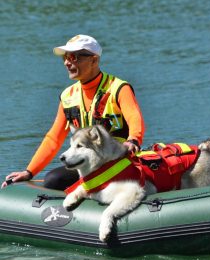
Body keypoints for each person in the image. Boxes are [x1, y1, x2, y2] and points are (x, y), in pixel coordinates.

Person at [2, 34, 145, 190]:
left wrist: (133, 140)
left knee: (55, 180)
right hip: (88, 164)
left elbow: (134, 118)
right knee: (52, 180)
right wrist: (29, 172)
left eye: (74, 57)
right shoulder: (68, 96)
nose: (67, 62)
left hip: (117, 161)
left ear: (94, 60)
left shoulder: (119, 88)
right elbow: (54, 139)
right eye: (65, 57)